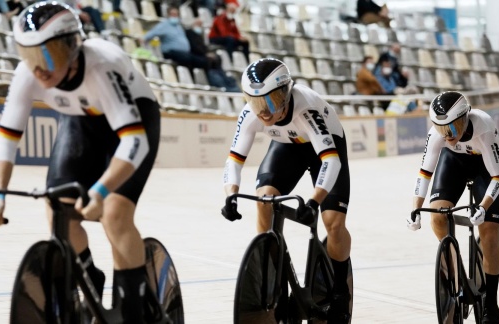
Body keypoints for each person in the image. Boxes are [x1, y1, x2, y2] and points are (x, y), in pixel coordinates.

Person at [0, 2, 160, 323]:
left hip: (134, 120)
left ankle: (135, 307)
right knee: (57, 207)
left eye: (48, 55)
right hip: (82, 121)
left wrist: (102, 191)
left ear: (72, 46)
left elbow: (135, 141)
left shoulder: (102, 64)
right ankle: (90, 276)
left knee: (115, 214)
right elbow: (7, 137)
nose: (38, 69)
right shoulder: (27, 73)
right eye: (30, 55)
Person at [221, 58, 352, 322]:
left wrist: (314, 202)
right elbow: (234, 160)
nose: (264, 113)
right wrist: (230, 195)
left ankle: (339, 291)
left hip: (325, 149)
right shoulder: (251, 113)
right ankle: (275, 278)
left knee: (332, 222)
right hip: (286, 147)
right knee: (263, 199)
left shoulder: (306, 108)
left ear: (285, 94)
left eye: (269, 102)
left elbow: (331, 161)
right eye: (256, 102)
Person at [407, 91, 499, 324]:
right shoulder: (439, 133)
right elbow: (425, 173)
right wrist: (415, 208)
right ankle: (456, 264)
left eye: (451, 128)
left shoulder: (484, 127)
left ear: (463, 119)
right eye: (441, 129)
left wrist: (483, 207)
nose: (446, 135)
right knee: (438, 217)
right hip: (454, 163)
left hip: (484, 169)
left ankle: (491, 303)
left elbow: (498, 177)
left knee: (489, 232)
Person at [142, 6, 210, 71]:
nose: (175, 16)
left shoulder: (179, 26)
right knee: (191, 59)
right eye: (172, 14)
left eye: (176, 14)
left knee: (203, 60)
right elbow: (152, 33)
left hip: (184, 53)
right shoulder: (164, 25)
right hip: (171, 53)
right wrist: (143, 39)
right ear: (168, 15)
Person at [184, 18, 240, 91]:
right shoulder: (189, 34)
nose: (199, 27)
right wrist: (206, 54)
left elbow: (204, 47)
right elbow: (195, 48)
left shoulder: (200, 36)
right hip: (201, 60)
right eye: (198, 24)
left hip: (210, 61)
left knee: (218, 59)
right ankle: (224, 88)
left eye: (201, 25)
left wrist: (209, 53)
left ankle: (231, 87)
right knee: (212, 67)